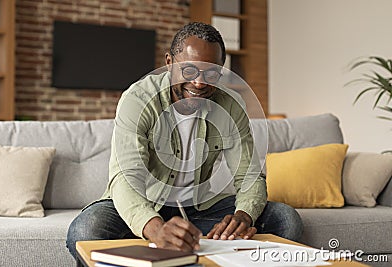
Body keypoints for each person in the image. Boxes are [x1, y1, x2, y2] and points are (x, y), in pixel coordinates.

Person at [66, 22, 303, 258]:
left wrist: (243, 217)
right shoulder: (138, 99)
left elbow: (249, 176)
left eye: (211, 73)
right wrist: (156, 229)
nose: (200, 83)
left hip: (199, 208)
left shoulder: (231, 107)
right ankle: (163, 239)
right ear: (169, 63)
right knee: (86, 230)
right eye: (189, 71)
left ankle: (207, 247)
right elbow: (126, 177)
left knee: (285, 220)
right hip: (142, 205)